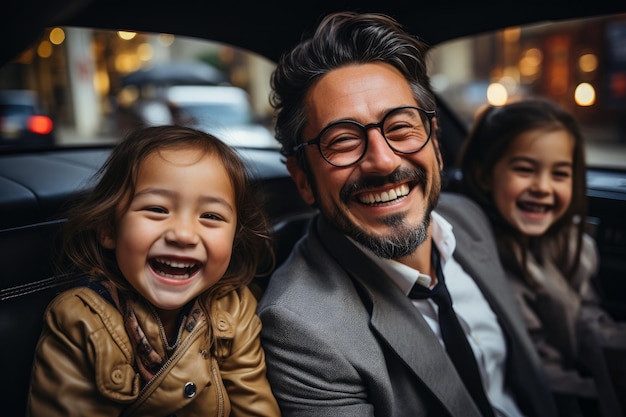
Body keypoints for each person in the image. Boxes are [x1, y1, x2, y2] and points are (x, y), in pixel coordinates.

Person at [257, 11, 559, 417]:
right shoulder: (300, 328)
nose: (382, 161)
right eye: (343, 140)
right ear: (303, 178)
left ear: (434, 143)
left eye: (400, 128)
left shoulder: (468, 219)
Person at [27, 125, 281, 417]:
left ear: (233, 239)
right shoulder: (79, 320)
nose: (183, 235)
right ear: (109, 228)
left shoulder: (235, 310)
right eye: (157, 209)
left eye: (210, 216)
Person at [457, 98, 626, 417]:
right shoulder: (493, 267)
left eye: (560, 174)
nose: (543, 187)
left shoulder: (568, 244)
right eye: (524, 170)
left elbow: (586, 317)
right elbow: (539, 371)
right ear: (483, 176)